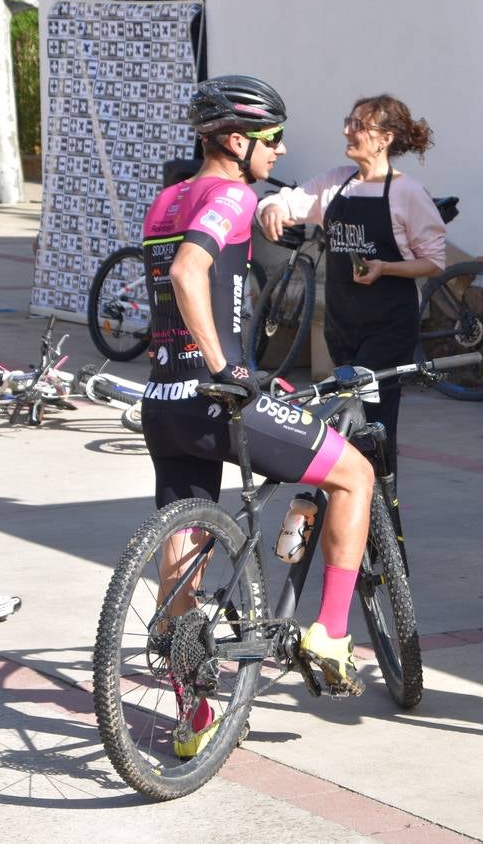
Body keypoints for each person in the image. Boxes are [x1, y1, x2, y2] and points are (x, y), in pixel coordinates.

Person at [141, 76, 377, 756]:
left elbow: (177, 283)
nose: (278, 151)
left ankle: (195, 719)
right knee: (353, 475)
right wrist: (225, 367)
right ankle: (332, 634)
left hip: (164, 400)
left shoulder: (166, 198)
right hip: (219, 400)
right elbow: (192, 274)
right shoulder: (233, 194)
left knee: (181, 556)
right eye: (273, 140)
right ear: (239, 141)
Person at [259, 95, 447, 475]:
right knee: (348, 419)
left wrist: (385, 268)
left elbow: (434, 261)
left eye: (359, 124)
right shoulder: (334, 183)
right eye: (349, 120)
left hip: (389, 327)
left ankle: (380, 518)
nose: (348, 130)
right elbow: (288, 201)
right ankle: (359, 514)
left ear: (384, 138)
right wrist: (272, 209)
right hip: (342, 326)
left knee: (370, 422)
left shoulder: (407, 192)